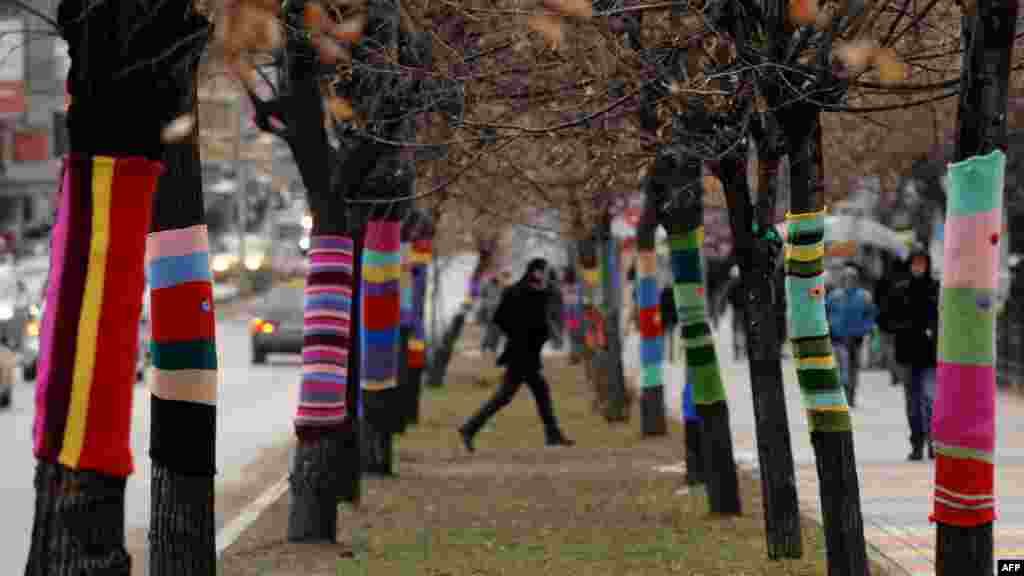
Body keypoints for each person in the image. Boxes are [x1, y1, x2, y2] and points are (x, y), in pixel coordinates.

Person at [459, 258, 574, 451]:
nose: (545, 276)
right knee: (514, 395)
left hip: (524, 353)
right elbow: (503, 319)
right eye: (543, 272)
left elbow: (540, 320)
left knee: (528, 393)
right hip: (522, 354)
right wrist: (519, 334)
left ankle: (552, 434)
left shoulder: (532, 292)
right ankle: (469, 429)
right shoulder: (523, 293)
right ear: (535, 272)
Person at [883, 249, 939, 460]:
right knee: (913, 403)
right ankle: (917, 443)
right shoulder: (900, 290)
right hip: (907, 354)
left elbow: (942, 317)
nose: (918, 267)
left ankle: (934, 441)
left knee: (930, 399)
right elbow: (886, 318)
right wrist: (904, 329)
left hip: (930, 354)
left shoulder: (935, 289)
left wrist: (932, 331)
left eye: (921, 263)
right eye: (915, 263)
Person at [826, 265, 878, 408]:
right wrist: (829, 326)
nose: (849, 281)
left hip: (856, 338)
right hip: (838, 338)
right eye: (847, 278)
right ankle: (841, 394)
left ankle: (851, 394)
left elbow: (871, 315)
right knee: (841, 367)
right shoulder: (834, 296)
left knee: (853, 368)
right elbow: (825, 312)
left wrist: (866, 329)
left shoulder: (864, 296)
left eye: (852, 278)